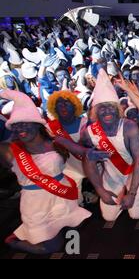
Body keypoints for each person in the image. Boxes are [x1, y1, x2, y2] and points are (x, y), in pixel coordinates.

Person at [0, 90, 91, 254]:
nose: (21, 128)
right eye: (17, 125)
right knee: (51, 248)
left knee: (76, 226)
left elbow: (83, 152)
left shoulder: (55, 141)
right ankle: (14, 241)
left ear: (37, 124)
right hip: (36, 204)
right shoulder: (9, 150)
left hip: (63, 196)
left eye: (25, 123)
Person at [80, 69, 139, 221]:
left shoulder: (129, 127)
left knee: (137, 215)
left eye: (111, 106)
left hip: (133, 174)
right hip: (111, 176)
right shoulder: (89, 132)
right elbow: (87, 160)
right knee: (108, 217)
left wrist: (131, 193)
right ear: (95, 112)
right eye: (102, 107)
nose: (107, 111)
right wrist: (100, 190)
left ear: (117, 109)